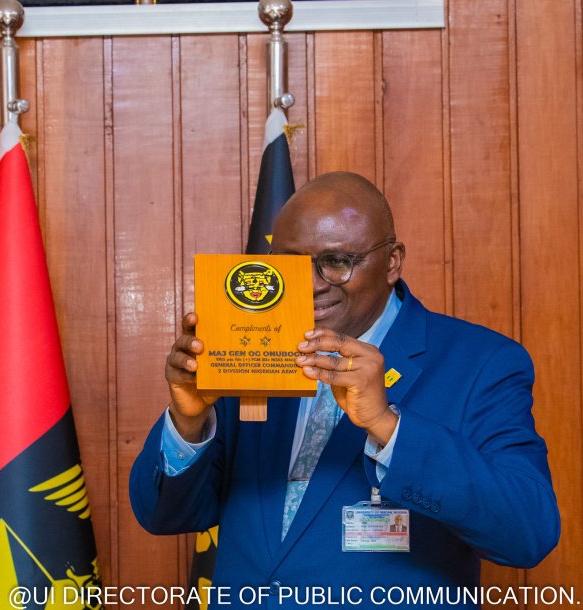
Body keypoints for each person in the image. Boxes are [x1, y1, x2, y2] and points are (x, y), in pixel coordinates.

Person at [129, 172, 559, 609]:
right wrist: (188, 421)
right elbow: (164, 516)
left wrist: (389, 428)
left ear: (392, 262)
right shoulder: (245, 346)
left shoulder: (480, 362)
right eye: (291, 263)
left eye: (336, 261)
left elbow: (528, 534)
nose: (313, 283)